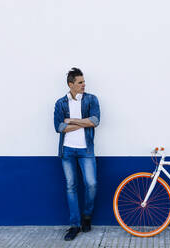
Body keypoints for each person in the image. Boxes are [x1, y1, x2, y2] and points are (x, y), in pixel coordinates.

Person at [54, 68, 100, 241]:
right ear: (70, 84)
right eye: (80, 82)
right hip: (67, 150)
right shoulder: (60, 103)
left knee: (91, 184)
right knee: (71, 186)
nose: (83, 85)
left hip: (86, 150)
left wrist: (71, 121)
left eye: (83, 82)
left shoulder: (91, 99)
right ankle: (74, 225)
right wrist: (84, 123)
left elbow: (95, 121)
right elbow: (59, 127)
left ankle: (86, 216)